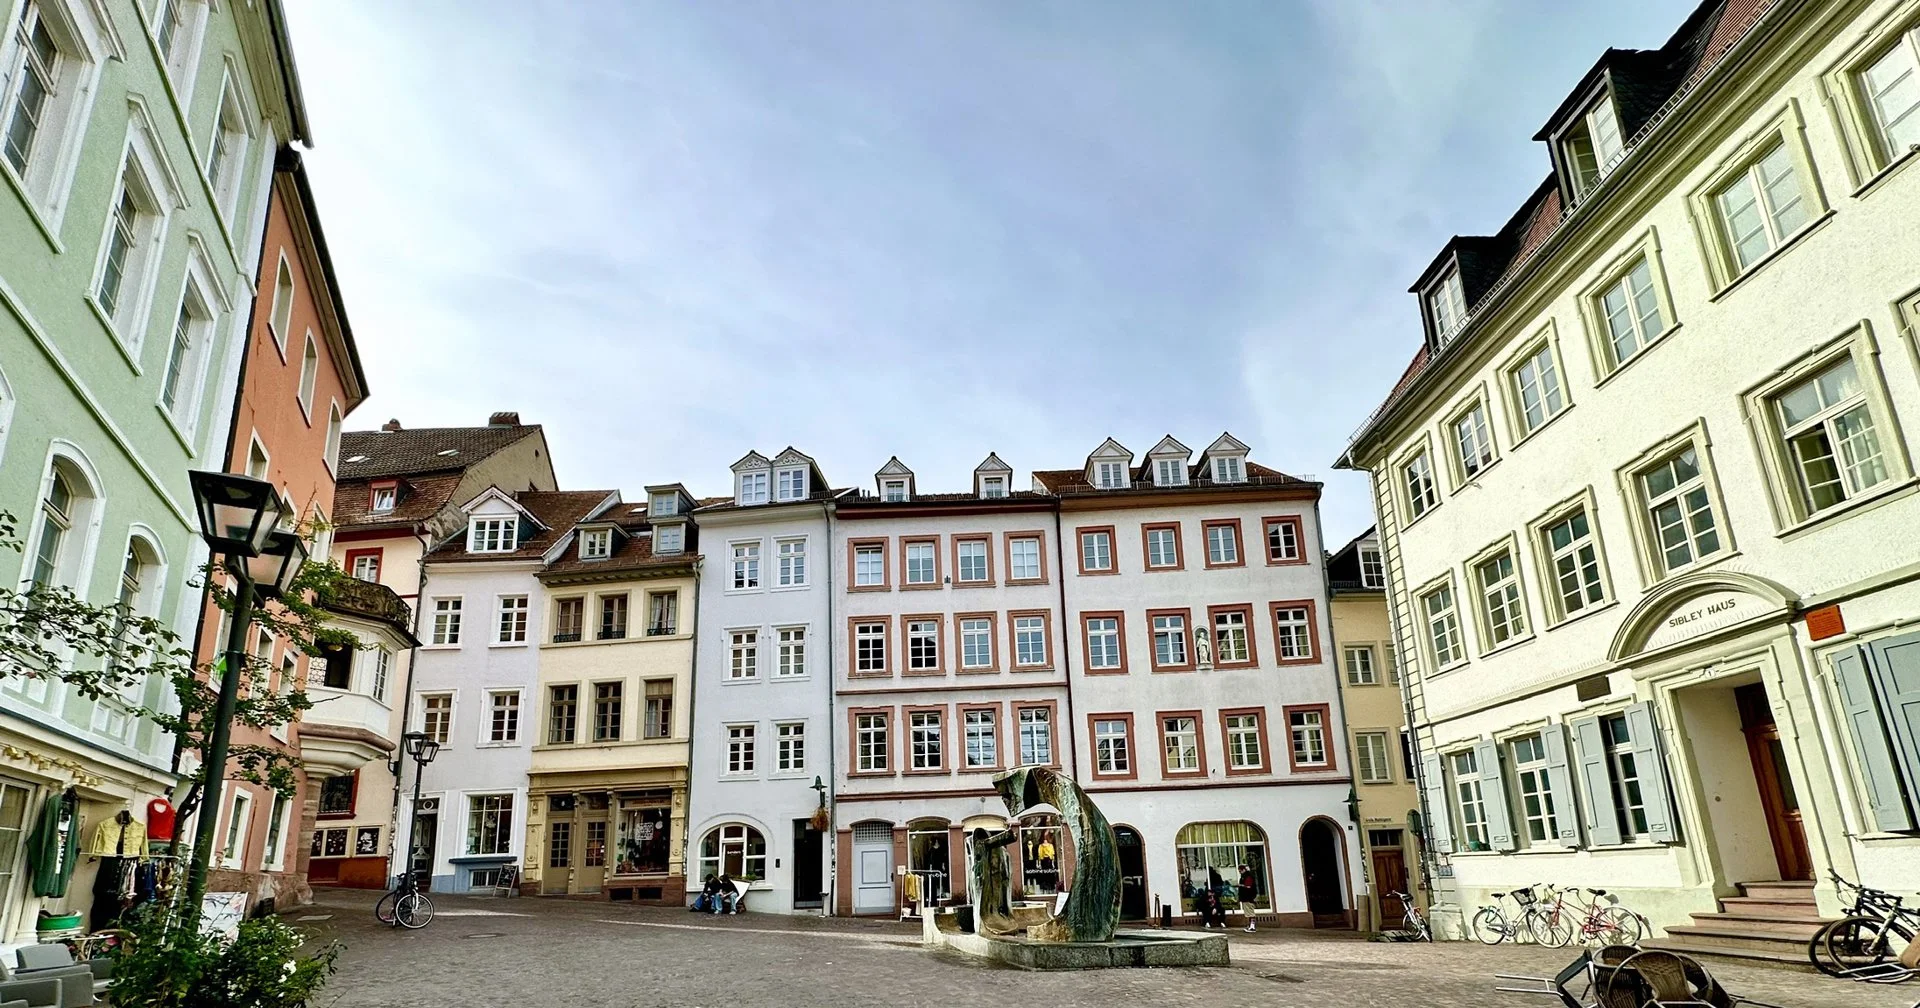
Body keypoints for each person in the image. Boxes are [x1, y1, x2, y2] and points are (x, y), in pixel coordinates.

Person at [1238, 865, 1259, 932]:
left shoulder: (1248, 876)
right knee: (1248, 913)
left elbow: (1248, 886)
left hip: (1248, 897)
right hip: (1246, 897)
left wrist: (1240, 885)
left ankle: (1252, 926)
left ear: (1244, 870)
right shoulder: (1245, 876)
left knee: (1250, 912)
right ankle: (1250, 925)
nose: (1240, 872)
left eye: (1240, 870)